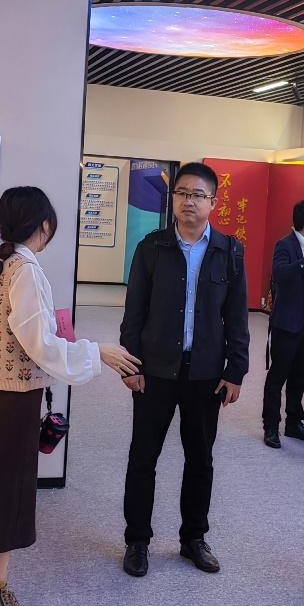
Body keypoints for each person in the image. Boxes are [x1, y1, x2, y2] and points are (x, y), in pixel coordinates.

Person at [0, 186, 140, 606]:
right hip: (10, 401)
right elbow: (39, 343)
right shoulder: (24, 271)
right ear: (43, 225)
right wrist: (96, 351)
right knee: (4, 497)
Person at [120, 162, 250, 577]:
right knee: (143, 457)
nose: (188, 201)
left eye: (197, 195)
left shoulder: (229, 252)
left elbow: (237, 317)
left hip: (205, 374)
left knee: (200, 459)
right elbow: (133, 313)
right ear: (173, 199)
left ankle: (193, 538)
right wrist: (129, 364)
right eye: (181, 193)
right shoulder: (151, 247)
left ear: (213, 202)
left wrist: (236, 370)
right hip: (155, 370)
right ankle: (137, 540)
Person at [262, 199, 304, 448]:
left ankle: (294, 423)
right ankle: (271, 426)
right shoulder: (286, 245)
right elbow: (280, 274)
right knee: (278, 374)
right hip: (288, 321)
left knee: (301, 374)